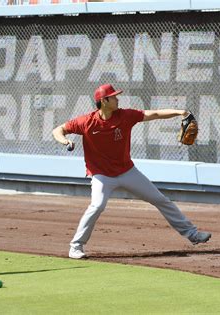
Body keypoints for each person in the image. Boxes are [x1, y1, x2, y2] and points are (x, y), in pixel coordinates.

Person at [52, 84, 211, 259]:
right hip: (102, 175)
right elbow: (58, 130)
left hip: (127, 171)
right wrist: (65, 141)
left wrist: (180, 112)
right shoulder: (87, 122)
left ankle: (192, 234)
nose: (117, 99)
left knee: (160, 199)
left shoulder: (125, 116)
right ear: (104, 101)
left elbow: (154, 114)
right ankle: (75, 247)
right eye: (113, 97)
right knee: (97, 206)